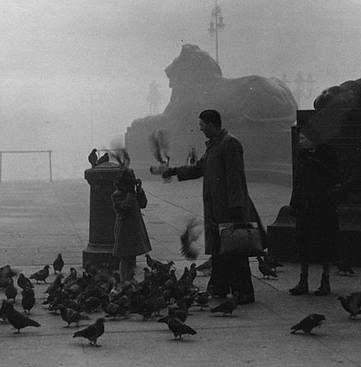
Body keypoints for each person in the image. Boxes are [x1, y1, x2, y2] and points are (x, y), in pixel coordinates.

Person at [156, 109, 265, 304]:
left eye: (202, 125)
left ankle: (244, 291)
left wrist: (236, 208)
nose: (200, 129)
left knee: (234, 250)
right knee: (220, 251)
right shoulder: (215, 145)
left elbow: (235, 178)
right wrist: (173, 171)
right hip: (217, 209)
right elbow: (199, 168)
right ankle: (219, 287)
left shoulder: (229, 144)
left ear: (211, 124)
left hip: (229, 209)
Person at [287, 126, 340, 296]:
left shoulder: (327, 153)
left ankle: (325, 281)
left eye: (303, 139)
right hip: (306, 206)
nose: (300, 142)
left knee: (325, 245)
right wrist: (294, 202)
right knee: (303, 244)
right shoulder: (303, 154)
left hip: (323, 206)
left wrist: (317, 165)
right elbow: (299, 180)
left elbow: (334, 176)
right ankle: (304, 280)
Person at [111, 168, 152, 282]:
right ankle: (124, 280)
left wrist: (139, 190)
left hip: (134, 228)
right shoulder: (117, 195)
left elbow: (143, 204)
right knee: (125, 257)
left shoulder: (132, 193)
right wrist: (130, 191)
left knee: (132, 255)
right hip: (125, 230)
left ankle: (129, 277)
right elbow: (127, 207)